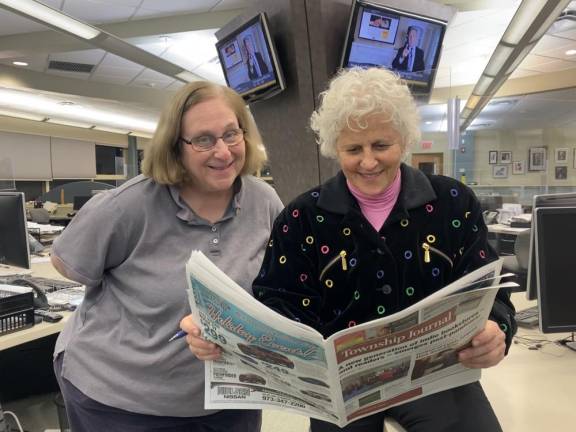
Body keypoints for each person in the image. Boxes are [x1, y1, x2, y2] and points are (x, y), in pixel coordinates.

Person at [250, 68, 516, 431]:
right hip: (342, 387)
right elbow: (277, 299)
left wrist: (496, 327)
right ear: (333, 148)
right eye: (353, 149)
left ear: (403, 140)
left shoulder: (453, 202)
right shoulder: (301, 218)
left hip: (435, 374)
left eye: (381, 145)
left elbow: (490, 287)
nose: (369, 162)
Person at [50, 81, 283, 432]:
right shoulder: (127, 205)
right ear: (176, 147)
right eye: (203, 139)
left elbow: (278, 285)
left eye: (231, 134)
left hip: (230, 395)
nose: (222, 151)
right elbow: (66, 263)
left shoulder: (264, 202)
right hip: (123, 401)